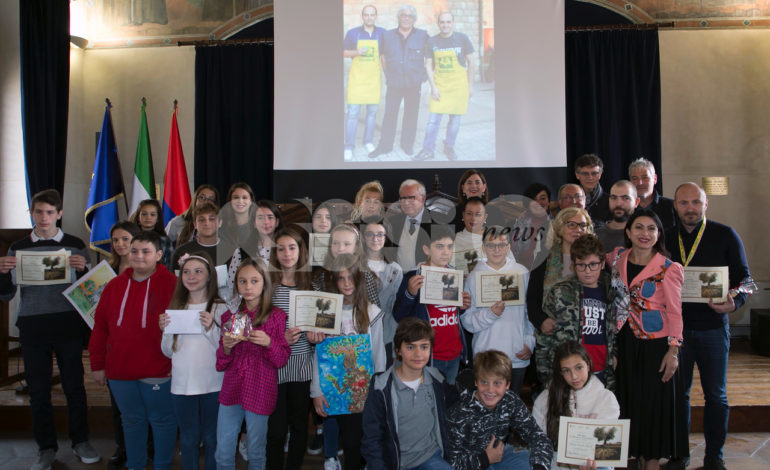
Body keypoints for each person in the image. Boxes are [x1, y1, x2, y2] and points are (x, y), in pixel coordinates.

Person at [0, 189, 100, 470]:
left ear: (59, 214)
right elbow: (6, 295)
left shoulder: (75, 244)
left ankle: (81, 441)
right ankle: (46, 448)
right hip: (32, 326)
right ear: (32, 214)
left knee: (74, 387)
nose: (44, 218)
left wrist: (83, 269)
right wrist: (2, 274)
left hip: (67, 324)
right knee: (39, 391)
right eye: (38, 212)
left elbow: (88, 292)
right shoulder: (17, 247)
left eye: (49, 212)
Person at [666, 183, 751, 470]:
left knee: (716, 395)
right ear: (675, 206)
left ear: (705, 205)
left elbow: (747, 282)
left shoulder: (725, 234)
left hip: (714, 329)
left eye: (696, 202)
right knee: (679, 397)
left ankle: (714, 458)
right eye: (684, 203)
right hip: (675, 333)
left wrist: (735, 302)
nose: (690, 208)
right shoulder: (665, 237)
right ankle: (680, 455)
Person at [89, 230, 178, 470]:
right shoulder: (114, 286)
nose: (139, 256)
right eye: (134, 251)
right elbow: (100, 329)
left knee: (161, 421)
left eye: (146, 251)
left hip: (157, 369)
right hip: (119, 370)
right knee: (131, 421)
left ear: (159, 254)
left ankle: (162, 465)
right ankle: (135, 465)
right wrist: (97, 365)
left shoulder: (173, 284)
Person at [608, 208, 685, 470]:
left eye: (651, 228)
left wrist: (673, 350)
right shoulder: (617, 258)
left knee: (652, 402)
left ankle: (650, 459)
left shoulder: (669, 268)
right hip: (624, 340)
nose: (645, 233)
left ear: (659, 233)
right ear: (628, 232)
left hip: (656, 344)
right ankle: (633, 455)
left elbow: (675, 312)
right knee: (628, 398)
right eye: (639, 227)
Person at [311, 254, 387, 470]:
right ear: (334, 281)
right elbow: (319, 355)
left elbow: (378, 354)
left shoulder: (371, 312)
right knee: (350, 440)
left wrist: (379, 391)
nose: (346, 284)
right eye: (341, 278)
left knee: (363, 442)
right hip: (337, 391)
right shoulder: (325, 312)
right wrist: (316, 391)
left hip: (365, 390)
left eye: (351, 278)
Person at [215, 258, 291, 470]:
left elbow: (281, 359)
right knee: (223, 449)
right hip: (232, 389)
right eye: (243, 281)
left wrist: (269, 342)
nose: (248, 287)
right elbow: (220, 363)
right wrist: (227, 347)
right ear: (236, 284)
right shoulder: (230, 316)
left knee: (256, 450)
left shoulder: (275, 317)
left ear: (264, 284)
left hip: (260, 388)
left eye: (254, 281)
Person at [361, 317, 458, 470]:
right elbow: (372, 438)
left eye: (424, 347)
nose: (418, 354)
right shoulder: (381, 388)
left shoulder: (437, 379)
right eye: (411, 347)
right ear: (398, 350)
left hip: (430, 457)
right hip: (395, 463)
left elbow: (458, 401)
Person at [159, 252, 227, 470]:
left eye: (198, 271)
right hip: (182, 385)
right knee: (188, 439)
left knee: (211, 437)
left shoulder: (220, 307)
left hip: (213, 384)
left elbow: (226, 349)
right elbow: (168, 352)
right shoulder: (176, 307)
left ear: (209, 276)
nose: (192, 276)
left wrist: (211, 328)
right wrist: (166, 331)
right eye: (186, 272)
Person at [446, 350, 553, 470]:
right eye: (484, 382)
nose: (490, 390)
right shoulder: (459, 413)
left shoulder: (510, 401)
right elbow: (451, 462)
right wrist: (485, 459)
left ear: (507, 385)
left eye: (497, 383)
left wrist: (540, 467)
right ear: (476, 382)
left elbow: (538, 437)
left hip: (501, 455)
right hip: (472, 463)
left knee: (529, 462)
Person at [393, 225, 471, 385]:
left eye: (449, 247)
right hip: (427, 355)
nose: (445, 252)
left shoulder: (454, 274)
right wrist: (410, 294)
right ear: (426, 249)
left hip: (454, 351)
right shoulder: (413, 276)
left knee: (448, 401)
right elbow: (398, 316)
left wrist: (462, 307)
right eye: (439, 246)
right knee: (426, 400)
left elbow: (453, 313)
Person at [265, 229, 315, 470]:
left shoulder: (312, 286)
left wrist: (316, 337)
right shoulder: (268, 287)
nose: (287, 253)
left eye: (292, 248)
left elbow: (318, 327)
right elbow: (260, 326)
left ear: (300, 250)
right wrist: (281, 339)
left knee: (298, 426)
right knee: (275, 429)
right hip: (274, 365)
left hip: (301, 365)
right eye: (281, 248)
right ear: (275, 253)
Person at [539, 234, 617, 388]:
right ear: (573, 265)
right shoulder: (560, 292)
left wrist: (614, 354)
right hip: (568, 373)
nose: (587, 271)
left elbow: (616, 331)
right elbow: (544, 338)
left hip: (601, 368)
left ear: (602, 264)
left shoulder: (612, 293)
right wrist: (545, 375)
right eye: (581, 265)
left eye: (593, 264)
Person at [462, 227, 534, 394]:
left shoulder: (521, 273)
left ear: (509, 247)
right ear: (483, 248)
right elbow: (467, 321)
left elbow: (529, 315)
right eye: (491, 245)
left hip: (516, 357)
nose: (497, 250)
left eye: (501, 245)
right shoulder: (474, 277)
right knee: (485, 410)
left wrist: (530, 342)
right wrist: (490, 314)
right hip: (485, 357)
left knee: (511, 411)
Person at [532, 341, 620, 470]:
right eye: (566, 371)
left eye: (579, 368)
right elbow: (539, 443)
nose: (574, 376)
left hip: (594, 464)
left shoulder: (605, 398)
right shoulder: (545, 399)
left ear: (588, 365)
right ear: (560, 373)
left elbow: (607, 446)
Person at [368, 4, 429, 159]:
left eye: (409, 16)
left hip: (413, 83)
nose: (406, 18)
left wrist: (423, 76)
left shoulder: (423, 35)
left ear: (414, 19)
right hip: (394, 83)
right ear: (399, 17)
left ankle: (407, 144)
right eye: (403, 15)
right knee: (389, 114)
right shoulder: (387, 36)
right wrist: (388, 74)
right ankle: (385, 146)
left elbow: (429, 58)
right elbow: (382, 57)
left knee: (411, 114)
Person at [413, 11, 474, 162]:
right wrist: (433, 86)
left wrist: (470, 86)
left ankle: (449, 147)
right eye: (442, 22)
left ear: (453, 23)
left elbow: (472, 62)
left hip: (458, 87)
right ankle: (428, 150)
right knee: (433, 120)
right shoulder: (432, 41)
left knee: (454, 121)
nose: (445, 25)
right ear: (438, 23)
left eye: (448, 22)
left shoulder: (462, 39)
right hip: (440, 86)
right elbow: (428, 65)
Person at [106, 220, 141, 467]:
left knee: (144, 400)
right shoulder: (104, 272)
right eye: (116, 240)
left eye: (125, 239)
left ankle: (145, 446)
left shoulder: (148, 271)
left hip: (141, 344)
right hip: (115, 345)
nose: (120, 244)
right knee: (119, 403)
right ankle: (123, 446)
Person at [527, 208, 593, 338]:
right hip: (551, 333)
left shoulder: (595, 258)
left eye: (583, 225)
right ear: (559, 227)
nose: (578, 230)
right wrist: (541, 321)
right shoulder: (544, 258)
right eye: (571, 224)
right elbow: (533, 297)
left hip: (586, 332)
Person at [344, 5, 385, 160]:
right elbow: (342, 51)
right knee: (353, 114)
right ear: (362, 16)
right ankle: (348, 146)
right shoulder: (353, 33)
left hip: (373, 81)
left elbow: (384, 55)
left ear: (376, 16)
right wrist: (357, 52)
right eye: (366, 14)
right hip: (357, 81)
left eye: (372, 14)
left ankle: (368, 141)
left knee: (372, 114)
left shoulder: (382, 33)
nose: (369, 17)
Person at [361, 218, 403, 366]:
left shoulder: (395, 269)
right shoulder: (356, 267)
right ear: (363, 238)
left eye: (380, 234)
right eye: (370, 234)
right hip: (361, 333)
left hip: (387, 335)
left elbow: (396, 308)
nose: (375, 239)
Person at [314, 223, 381, 309]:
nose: (340, 248)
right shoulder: (322, 276)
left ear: (356, 247)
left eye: (346, 244)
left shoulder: (365, 276)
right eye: (335, 243)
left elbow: (375, 310)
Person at [387, 179, 433, 272]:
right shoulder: (392, 222)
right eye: (403, 198)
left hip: (424, 278)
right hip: (398, 279)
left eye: (411, 198)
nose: (406, 202)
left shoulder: (437, 222)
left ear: (423, 199)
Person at [629, 158, 677, 232]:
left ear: (655, 179)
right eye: (635, 178)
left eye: (645, 177)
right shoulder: (626, 208)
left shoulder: (672, 207)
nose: (640, 183)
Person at [511, 183, 552, 270]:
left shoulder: (556, 222)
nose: (539, 203)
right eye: (533, 199)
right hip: (521, 270)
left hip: (549, 271)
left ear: (548, 201)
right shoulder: (518, 223)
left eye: (543, 198)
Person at [171, 201, 221, 271]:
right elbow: (176, 280)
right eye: (201, 219)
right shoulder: (181, 252)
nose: (207, 223)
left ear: (220, 222)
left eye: (211, 219)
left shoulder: (230, 251)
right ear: (195, 224)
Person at [166, 184, 220, 248]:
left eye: (210, 199)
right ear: (195, 199)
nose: (205, 201)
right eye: (202, 197)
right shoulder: (178, 222)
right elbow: (163, 245)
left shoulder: (219, 223)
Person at [595, 180, 639, 253]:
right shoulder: (595, 236)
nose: (618, 203)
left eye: (625, 198)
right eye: (614, 198)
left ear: (636, 202)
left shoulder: (642, 236)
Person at [130, 198, 173, 268]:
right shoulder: (131, 238)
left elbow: (169, 265)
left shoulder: (164, 240)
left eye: (152, 215)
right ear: (138, 217)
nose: (148, 217)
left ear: (158, 218)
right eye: (144, 214)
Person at [453, 197, 487, 275]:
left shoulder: (495, 239)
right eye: (469, 214)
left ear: (485, 217)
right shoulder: (453, 239)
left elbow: (509, 266)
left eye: (478, 215)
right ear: (463, 215)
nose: (473, 218)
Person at [574, 154, 610, 223]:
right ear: (577, 175)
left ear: (600, 175)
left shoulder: (610, 201)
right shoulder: (570, 201)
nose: (590, 177)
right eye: (585, 174)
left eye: (594, 173)